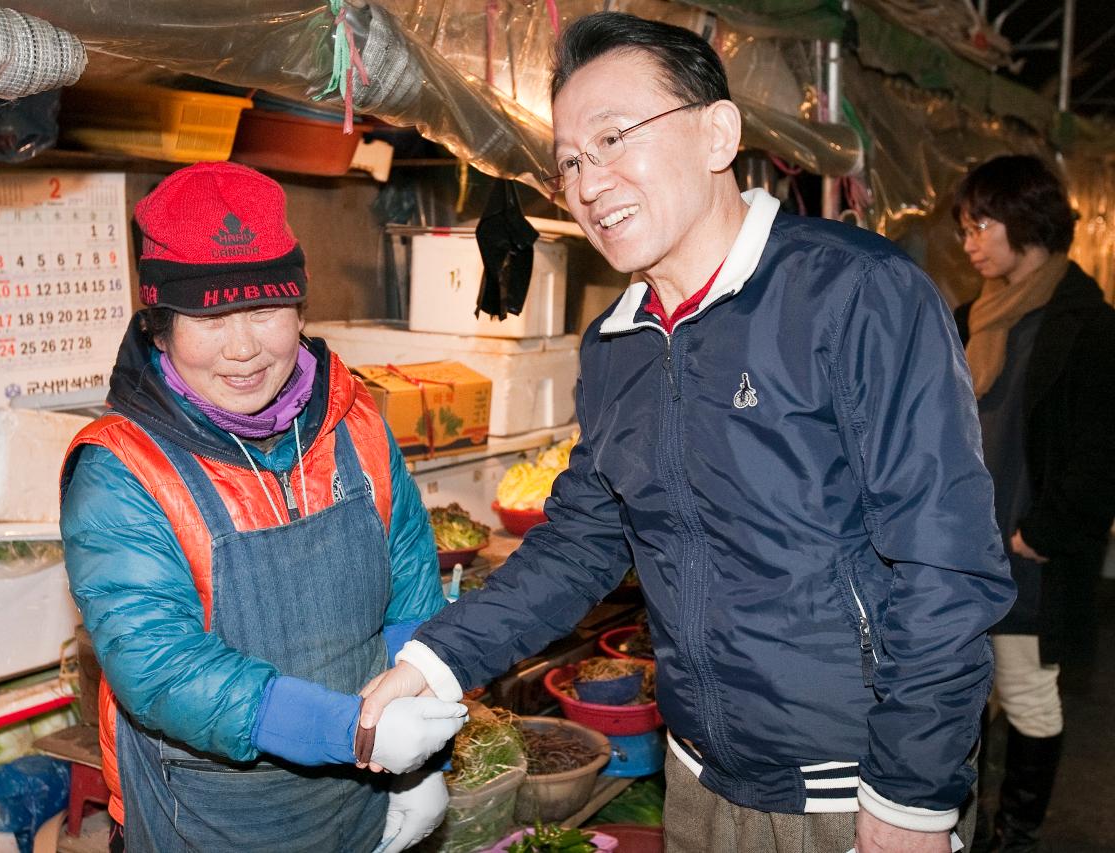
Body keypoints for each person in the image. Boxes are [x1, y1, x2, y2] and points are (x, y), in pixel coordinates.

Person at [360, 12, 1016, 853]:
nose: (589, 180)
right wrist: (438, 659)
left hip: (853, 791)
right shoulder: (618, 344)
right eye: (569, 160)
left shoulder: (856, 295)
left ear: (718, 133)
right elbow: (581, 543)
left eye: (614, 136)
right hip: (697, 781)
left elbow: (944, 562)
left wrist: (912, 798)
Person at [59, 162, 465, 853]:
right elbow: (162, 667)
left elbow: (412, 594)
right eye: (209, 316)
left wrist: (424, 760)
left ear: (301, 310)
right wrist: (356, 731)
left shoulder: (354, 419)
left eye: (264, 310)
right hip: (209, 822)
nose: (243, 348)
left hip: (365, 809)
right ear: (158, 326)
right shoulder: (123, 469)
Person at [951, 155, 1115, 853]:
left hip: (1028, 555)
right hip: (963, 552)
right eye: (965, 227)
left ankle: (1015, 833)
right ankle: (969, 819)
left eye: (981, 224)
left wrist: (1039, 534)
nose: (970, 241)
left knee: (1026, 692)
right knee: (964, 694)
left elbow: (1102, 453)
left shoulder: (1087, 326)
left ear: (1027, 223)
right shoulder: (970, 316)